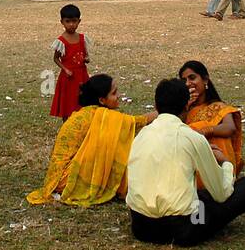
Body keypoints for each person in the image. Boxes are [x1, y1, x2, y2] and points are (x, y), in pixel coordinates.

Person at [125, 78, 245, 247]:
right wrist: (226, 163)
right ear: (186, 106)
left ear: (156, 105)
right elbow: (221, 192)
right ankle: (198, 223)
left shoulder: (142, 135)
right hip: (183, 229)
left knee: (200, 195)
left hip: (141, 227)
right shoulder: (191, 137)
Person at [27, 74, 156, 206]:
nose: (118, 96)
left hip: (57, 179)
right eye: (114, 93)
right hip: (67, 180)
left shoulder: (89, 113)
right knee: (111, 143)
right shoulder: (97, 116)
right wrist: (164, 111)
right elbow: (134, 122)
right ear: (101, 100)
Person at [180, 60, 244, 175]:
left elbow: (229, 127)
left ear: (205, 80)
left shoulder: (218, 107)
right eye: (184, 80)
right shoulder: (182, 109)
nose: (188, 83)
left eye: (192, 78)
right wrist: (184, 105)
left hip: (214, 161)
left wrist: (205, 131)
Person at [49, 4, 90, 120]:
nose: (71, 24)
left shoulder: (82, 38)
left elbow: (85, 55)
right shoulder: (61, 41)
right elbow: (56, 58)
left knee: (82, 102)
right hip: (68, 78)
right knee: (68, 103)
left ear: (79, 21)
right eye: (68, 21)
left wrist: (87, 59)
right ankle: (66, 126)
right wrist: (65, 69)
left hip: (82, 76)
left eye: (74, 21)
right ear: (62, 22)